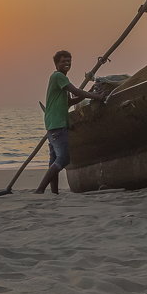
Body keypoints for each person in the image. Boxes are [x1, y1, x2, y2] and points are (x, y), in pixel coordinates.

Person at [35, 50, 106, 194]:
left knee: (54, 159)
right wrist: (96, 96)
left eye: (69, 61)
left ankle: (54, 193)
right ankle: (40, 190)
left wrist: (91, 91)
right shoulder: (58, 76)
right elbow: (77, 91)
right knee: (63, 158)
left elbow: (70, 101)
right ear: (56, 64)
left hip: (53, 124)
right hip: (57, 124)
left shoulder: (60, 81)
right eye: (63, 61)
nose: (66, 64)